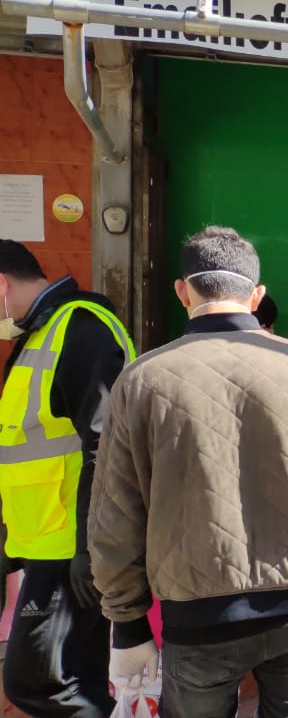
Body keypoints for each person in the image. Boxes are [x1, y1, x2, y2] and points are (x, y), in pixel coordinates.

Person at [89, 226, 288, 716]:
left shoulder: (142, 378)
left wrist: (128, 625)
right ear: (257, 295)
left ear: (182, 290)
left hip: (195, 616)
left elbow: (116, 515)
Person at [0, 240, 135, 716]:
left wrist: (88, 548)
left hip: (69, 551)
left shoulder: (80, 329)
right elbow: (21, 456)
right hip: (45, 545)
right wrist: (9, 543)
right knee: (74, 680)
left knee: (40, 683)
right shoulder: (36, 336)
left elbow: (107, 449)